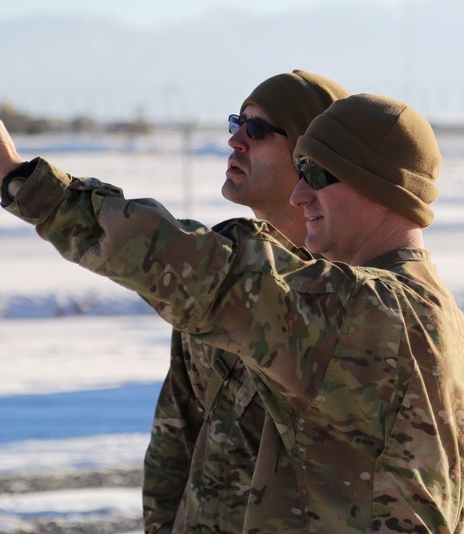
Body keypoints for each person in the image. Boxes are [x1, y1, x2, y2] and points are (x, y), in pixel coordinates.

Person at [0, 92, 464, 532]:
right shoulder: (407, 310)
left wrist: (23, 182)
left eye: (318, 176)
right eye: (299, 174)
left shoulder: (376, 314)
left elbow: (205, 272)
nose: (301, 196)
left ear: (384, 189)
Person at [144, 70, 349, 532]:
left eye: (257, 130)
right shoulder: (224, 278)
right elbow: (176, 431)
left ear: (309, 153)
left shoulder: (348, 299)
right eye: (237, 122)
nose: (236, 140)